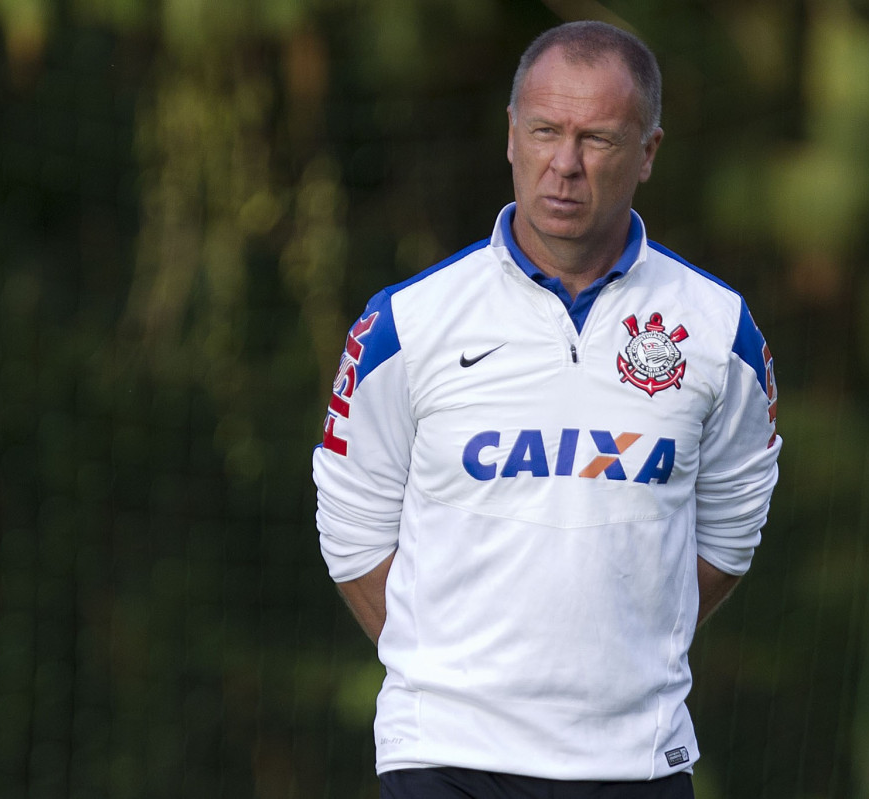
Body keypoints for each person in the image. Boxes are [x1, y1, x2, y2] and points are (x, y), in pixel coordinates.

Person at [313, 20, 781, 798]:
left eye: (597, 139)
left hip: (634, 762)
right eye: (544, 131)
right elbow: (351, 518)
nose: (565, 165)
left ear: (649, 152)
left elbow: (732, 522)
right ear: (509, 136)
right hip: (444, 760)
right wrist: (451, 673)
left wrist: (625, 653)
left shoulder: (718, 331)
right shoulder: (408, 323)